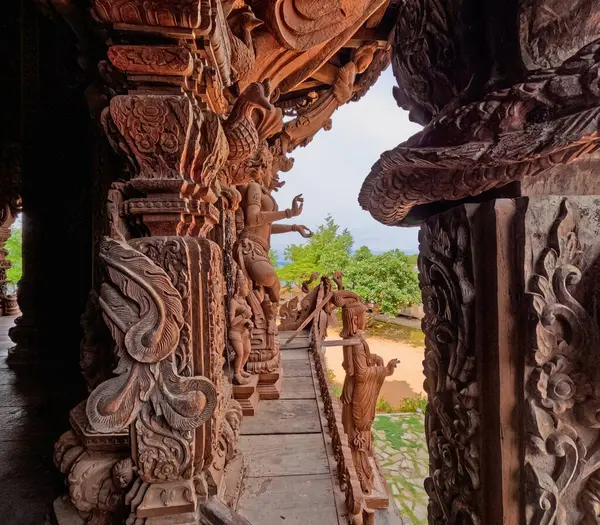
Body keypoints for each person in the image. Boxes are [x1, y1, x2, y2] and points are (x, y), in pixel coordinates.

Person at [228, 270, 254, 385]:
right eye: (246, 287)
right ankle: (236, 375)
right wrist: (243, 315)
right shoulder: (234, 302)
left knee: (247, 351)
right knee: (240, 354)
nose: (248, 289)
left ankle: (241, 369)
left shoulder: (244, 301)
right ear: (239, 288)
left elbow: (246, 317)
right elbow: (232, 322)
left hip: (244, 331)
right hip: (235, 331)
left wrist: (248, 323)